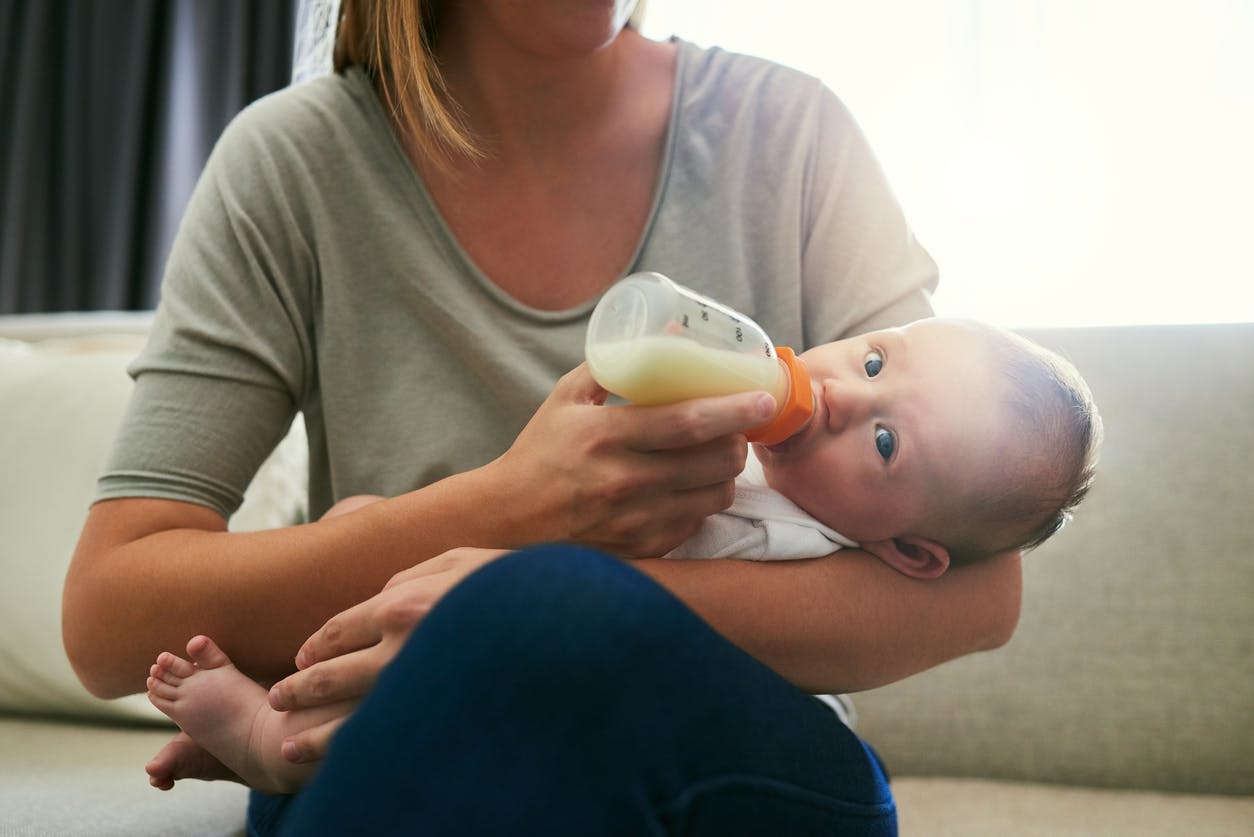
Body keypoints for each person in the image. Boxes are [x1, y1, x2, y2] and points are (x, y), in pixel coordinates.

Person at [63, 2, 1029, 834]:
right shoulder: (295, 166)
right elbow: (110, 617)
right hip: (401, 738)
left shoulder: (792, 137)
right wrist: (510, 504)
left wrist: (525, 600)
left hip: (732, 766)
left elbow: (982, 591)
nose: (853, 389)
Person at [142, 315, 1101, 797]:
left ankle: (277, 747)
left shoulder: (818, 545)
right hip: (522, 656)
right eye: (878, 360)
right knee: (362, 519)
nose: (844, 395)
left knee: (484, 686)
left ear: (911, 548)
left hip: (666, 738)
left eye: (887, 444)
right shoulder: (729, 444)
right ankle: (289, 695)